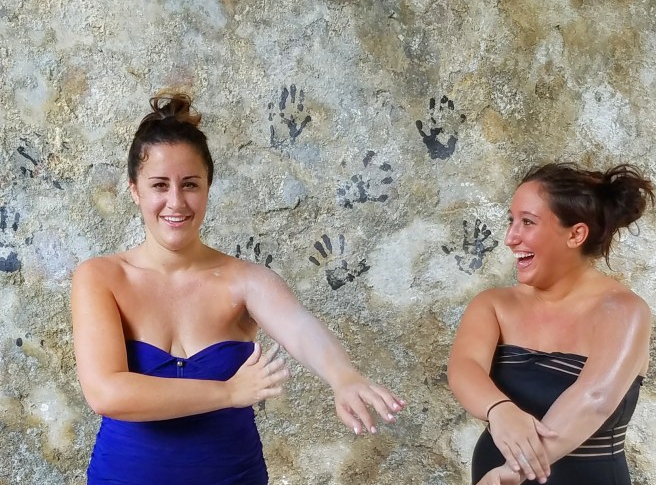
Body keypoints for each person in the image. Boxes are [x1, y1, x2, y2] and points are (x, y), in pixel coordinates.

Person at [72, 93, 406, 485]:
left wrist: (343, 376)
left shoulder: (245, 280)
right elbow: (107, 393)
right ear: (135, 190)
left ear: (208, 187)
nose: (175, 201)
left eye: (190, 184)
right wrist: (228, 393)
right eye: (159, 185)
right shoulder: (101, 277)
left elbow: (300, 327)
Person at [447, 162, 655, 485]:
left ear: (575, 234)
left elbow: (595, 400)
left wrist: (513, 471)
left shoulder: (626, 311)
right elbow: (464, 366)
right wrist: (499, 409)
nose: (510, 238)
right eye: (511, 221)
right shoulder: (493, 304)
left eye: (527, 222)